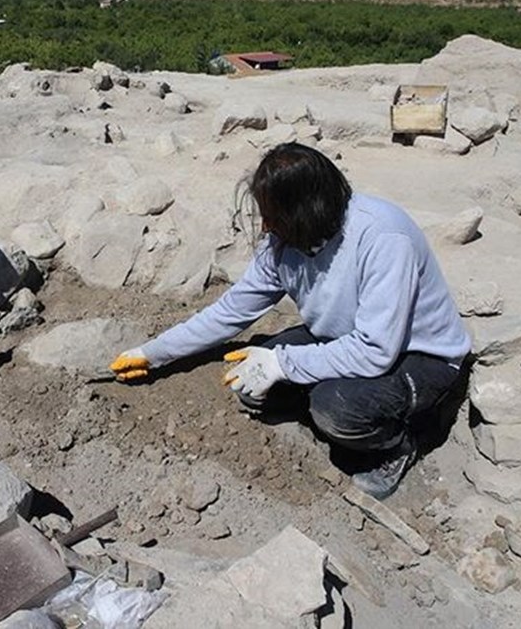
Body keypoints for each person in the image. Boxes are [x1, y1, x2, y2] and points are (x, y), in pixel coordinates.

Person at [109, 143, 471, 498]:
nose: (266, 226)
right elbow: (231, 310)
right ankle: (322, 407)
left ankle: (397, 444)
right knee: (248, 385)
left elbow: (376, 350)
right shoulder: (286, 240)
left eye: (275, 216)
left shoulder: (382, 236)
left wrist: (284, 363)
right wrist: (153, 352)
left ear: (308, 210)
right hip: (342, 338)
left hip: (418, 356)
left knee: (337, 409)